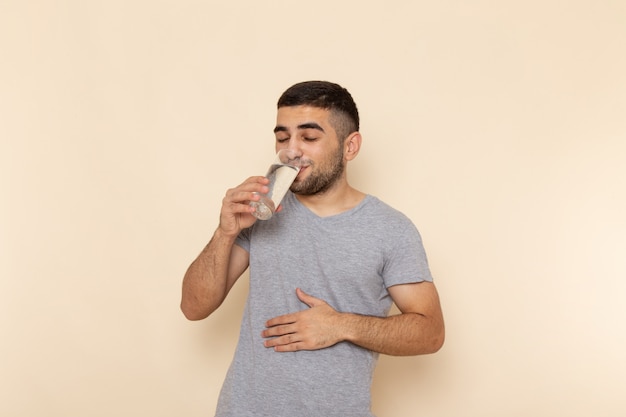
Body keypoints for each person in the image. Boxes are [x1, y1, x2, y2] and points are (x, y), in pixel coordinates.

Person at [181, 80, 445, 417]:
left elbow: (430, 332)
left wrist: (340, 326)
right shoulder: (258, 214)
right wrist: (224, 232)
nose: (291, 150)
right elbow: (193, 307)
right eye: (282, 137)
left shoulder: (390, 230)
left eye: (309, 137)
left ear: (350, 147)